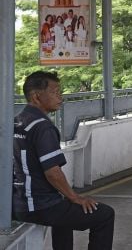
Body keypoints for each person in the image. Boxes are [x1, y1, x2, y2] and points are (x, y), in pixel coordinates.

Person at [12, 71, 115, 250]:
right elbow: (52, 172)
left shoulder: (17, 121)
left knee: (63, 207)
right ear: (36, 96)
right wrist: (76, 197)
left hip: (16, 202)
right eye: (54, 92)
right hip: (39, 206)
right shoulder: (42, 127)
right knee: (105, 215)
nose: (60, 96)